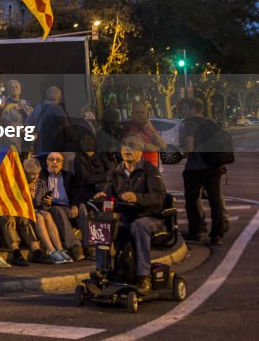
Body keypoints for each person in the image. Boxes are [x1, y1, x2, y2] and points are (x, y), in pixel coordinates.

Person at [92, 135, 167, 292]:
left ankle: (143, 275)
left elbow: (159, 198)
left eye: (132, 146)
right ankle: (102, 270)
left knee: (139, 225)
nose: (127, 150)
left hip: (149, 217)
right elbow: (109, 195)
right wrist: (103, 197)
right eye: (125, 146)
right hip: (125, 218)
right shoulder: (115, 172)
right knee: (102, 223)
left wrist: (137, 198)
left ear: (140, 151)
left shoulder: (149, 170)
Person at [179, 97, 229, 246]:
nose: (183, 111)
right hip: (214, 168)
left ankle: (197, 231)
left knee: (192, 200)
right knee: (215, 201)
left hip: (195, 168)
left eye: (185, 108)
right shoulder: (211, 122)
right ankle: (217, 235)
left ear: (193, 109)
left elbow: (189, 147)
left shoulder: (190, 124)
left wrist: (181, 151)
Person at [24, 157, 74, 263]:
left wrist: (47, 203)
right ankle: (51, 250)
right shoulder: (21, 184)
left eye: (37, 174)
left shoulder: (41, 183)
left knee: (46, 214)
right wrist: (30, 195)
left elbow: (42, 206)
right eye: (32, 174)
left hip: (38, 211)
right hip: (26, 213)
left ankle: (59, 249)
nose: (35, 177)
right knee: (39, 216)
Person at [42, 152, 90, 261]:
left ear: (62, 163)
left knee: (82, 207)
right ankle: (74, 247)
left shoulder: (68, 176)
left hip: (67, 205)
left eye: (58, 160)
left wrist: (74, 205)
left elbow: (77, 192)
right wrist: (44, 201)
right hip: (51, 207)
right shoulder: (42, 176)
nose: (54, 162)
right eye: (51, 160)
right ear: (47, 162)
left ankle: (89, 245)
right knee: (58, 210)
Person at [119, 101, 166, 168]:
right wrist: (155, 147)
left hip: (152, 168)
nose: (140, 115)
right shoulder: (129, 128)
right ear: (132, 114)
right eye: (137, 112)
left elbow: (163, 145)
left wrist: (152, 130)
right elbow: (139, 146)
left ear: (146, 114)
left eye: (143, 112)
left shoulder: (149, 126)